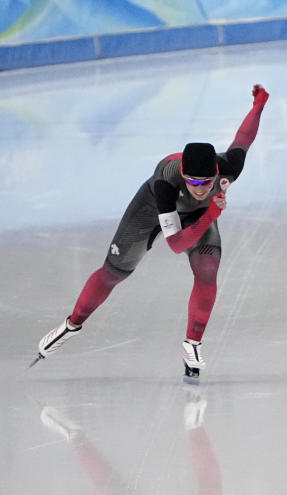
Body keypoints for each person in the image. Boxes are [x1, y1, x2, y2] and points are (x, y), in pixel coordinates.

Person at [35, 84, 270, 379]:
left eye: (206, 183)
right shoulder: (166, 182)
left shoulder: (228, 168)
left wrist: (258, 106)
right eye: (193, 183)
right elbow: (174, 243)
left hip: (199, 216)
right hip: (151, 211)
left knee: (208, 269)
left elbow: (243, 139)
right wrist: (211, 212)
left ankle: (193, 343)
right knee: (113, 272)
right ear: (183, 173)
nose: (200, 189)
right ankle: (71, 325)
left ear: (217, 175)